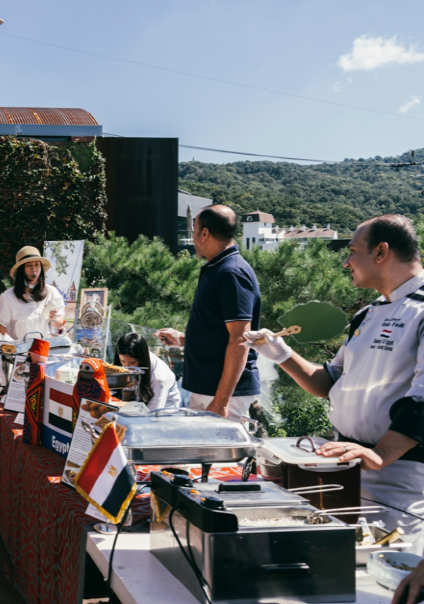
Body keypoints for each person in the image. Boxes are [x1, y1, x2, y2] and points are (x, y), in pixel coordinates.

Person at [245, 215, 424, 555]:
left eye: (353, 251)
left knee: (390, 570)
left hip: (400, 477)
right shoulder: (368, 314)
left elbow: (422, 403)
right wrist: (279, 352)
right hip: (346, 466)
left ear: (381, 252)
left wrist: (379, 454)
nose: (346, 261)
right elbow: (329, 382)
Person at [154, 205, 261, 421]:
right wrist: (184, 339)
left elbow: (240, 340)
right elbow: (220, 333)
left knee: (217, 455)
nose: (192, 238)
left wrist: (221, 402)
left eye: (194, 231)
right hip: (208, 389)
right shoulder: (219, 268)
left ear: (205, 233)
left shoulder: (231, 272)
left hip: (222, 394)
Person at [0, 246, 66, 340]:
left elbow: (59, 324)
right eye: (29, 265)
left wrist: (54, 318)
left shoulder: (52, 293)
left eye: (37, 265)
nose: (34, 269)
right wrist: (11, 345)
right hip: (19, 351)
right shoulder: (8, 297)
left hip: (43, 350)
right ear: (21, 270)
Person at [114, 333, 180, 411]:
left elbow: (153, 411)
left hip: (163, 414)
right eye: (123, 362)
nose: (127, 368)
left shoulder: (159, 377)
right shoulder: (136, 361)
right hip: (141, 407)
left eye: (132, 363)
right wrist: (121, 409)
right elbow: (128, 389)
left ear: (141, 360)